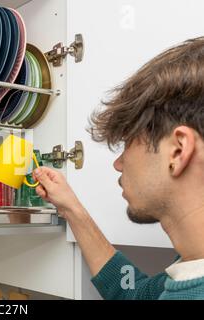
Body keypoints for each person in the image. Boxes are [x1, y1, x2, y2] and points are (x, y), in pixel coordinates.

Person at [33, 37, 204, 300]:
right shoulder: (192, 267)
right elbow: (133, 293)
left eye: (127, 142)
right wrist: (72, 209)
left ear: (178, 150)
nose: (118, 163)